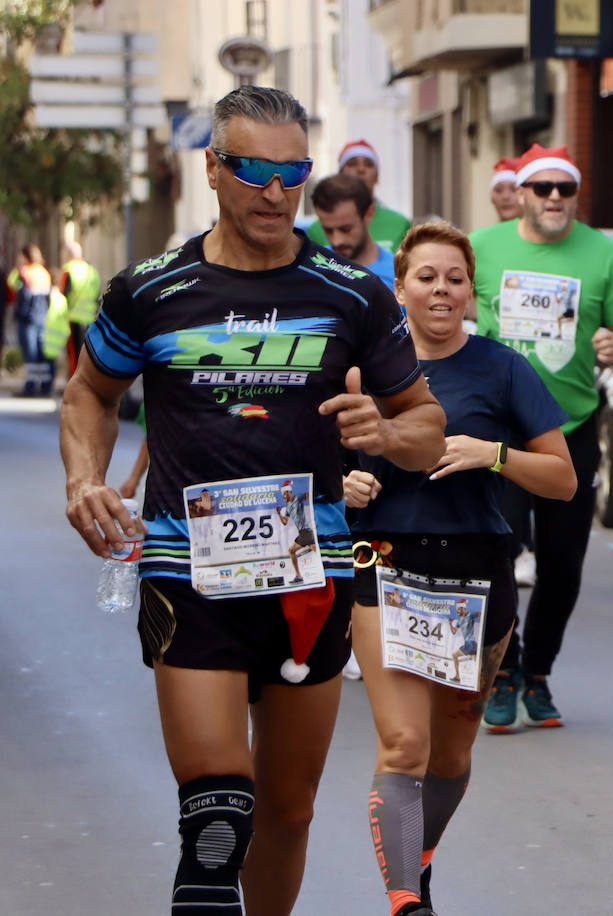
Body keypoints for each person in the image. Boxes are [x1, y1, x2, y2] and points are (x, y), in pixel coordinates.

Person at [59, 85, 446, 916]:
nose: (275, 192)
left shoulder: (353, 294)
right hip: (186, 568)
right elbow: (89, 393)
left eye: (293, 171)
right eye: (252, 170)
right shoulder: (150, 290)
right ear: (212, 167)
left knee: (287, 809)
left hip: (312, 575)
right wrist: (85, 479)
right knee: (217, 809)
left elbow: (425, 425)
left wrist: (381, 428)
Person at [344, 220, 575, 916]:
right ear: (399, 288)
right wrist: (341, 484)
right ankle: (405, 900)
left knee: (448, 753)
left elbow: (563, 480)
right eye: (425, 277)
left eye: (454, 278)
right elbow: (309, 455)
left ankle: (419, 859)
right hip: (385, 566)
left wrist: (492, 455)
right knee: (404, 741)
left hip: (479, 572)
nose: (441, 290)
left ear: (470, 292)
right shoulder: (363, 368)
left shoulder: (502, 367)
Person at [469, 143, 613, 730]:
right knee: (498, 554)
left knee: (563, 565)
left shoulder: (600, 253)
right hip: (502, 430)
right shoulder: (485, 247)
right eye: (540, 188)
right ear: (518, 192)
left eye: (563, 189)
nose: (552, 199)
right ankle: (502, 671)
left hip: (569, 426)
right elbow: (442, 305)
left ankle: (538, 673)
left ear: (575, 195)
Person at [307, 138, 411, 253]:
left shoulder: (399, 223)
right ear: (340, 174)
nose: (361, 169)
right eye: (352, 164)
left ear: (377, 177)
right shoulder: (316, 230)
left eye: (369, 164)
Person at [311, 173, 396, 288]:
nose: (337, 241)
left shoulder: (398, 274)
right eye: (328, 230)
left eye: (346, 229)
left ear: (369, 214)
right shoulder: (312, 268)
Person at [14, 244, 56, 397]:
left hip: (28, 319)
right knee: (41, 351)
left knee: (30, 353)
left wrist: (19, 316)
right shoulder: (44, 272)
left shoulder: (25, 272)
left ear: (26, 256)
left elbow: (23, 296)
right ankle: (45, 386)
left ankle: (30, 387)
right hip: (42, 317)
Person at [59, 240, 101, 375]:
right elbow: (98, 295)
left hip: (73, 318)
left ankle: (74, 382)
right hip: (90, 319)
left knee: (74, 355)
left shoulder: (69, 269)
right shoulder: (92, 271)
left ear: (69, 254)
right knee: (87, 354)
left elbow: (63, 294)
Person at [489, 158, 522, 223]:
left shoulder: (541, 232)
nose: (505, 196)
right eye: (499, 190)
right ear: (492, 198)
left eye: (514, 189)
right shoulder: (481, 233)